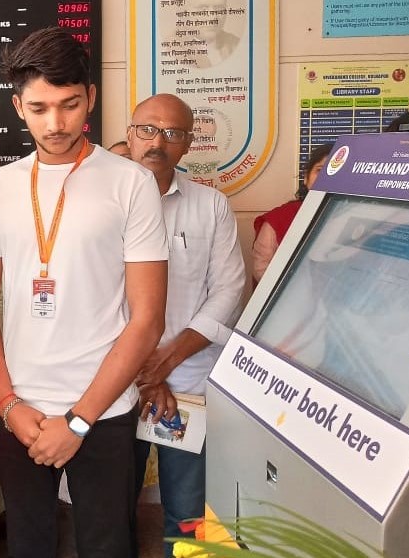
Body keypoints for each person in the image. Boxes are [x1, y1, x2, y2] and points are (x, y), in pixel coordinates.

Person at [0, 27, 168, 557]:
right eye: (38, 108)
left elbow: (148, 319)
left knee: (107, 545)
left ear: (91, 99)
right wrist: (7, 402)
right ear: (17, 107)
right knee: (28, 544)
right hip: (20, 409)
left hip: (103, 410)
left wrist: (80, 419)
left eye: (69, 105)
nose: (55, 124)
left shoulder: (130, 184)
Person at [124, 93, 246, 558]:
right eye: (148, 129)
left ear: (189, 143)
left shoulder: (211, 206)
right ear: (131, 133)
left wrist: (164, 363)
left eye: (173, 133)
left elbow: (229, 293)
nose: (158, 141)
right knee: (111, 509)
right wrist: (142, 373)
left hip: (190, 383)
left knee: (188, 513)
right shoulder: (101, 202)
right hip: (118, 384)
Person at [251, 142, 332, 284]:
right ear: (306, 178)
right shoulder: (278, 219)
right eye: (320, 170)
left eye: (335, 170)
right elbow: (262, 270)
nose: (327, 176)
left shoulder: (360, 218)